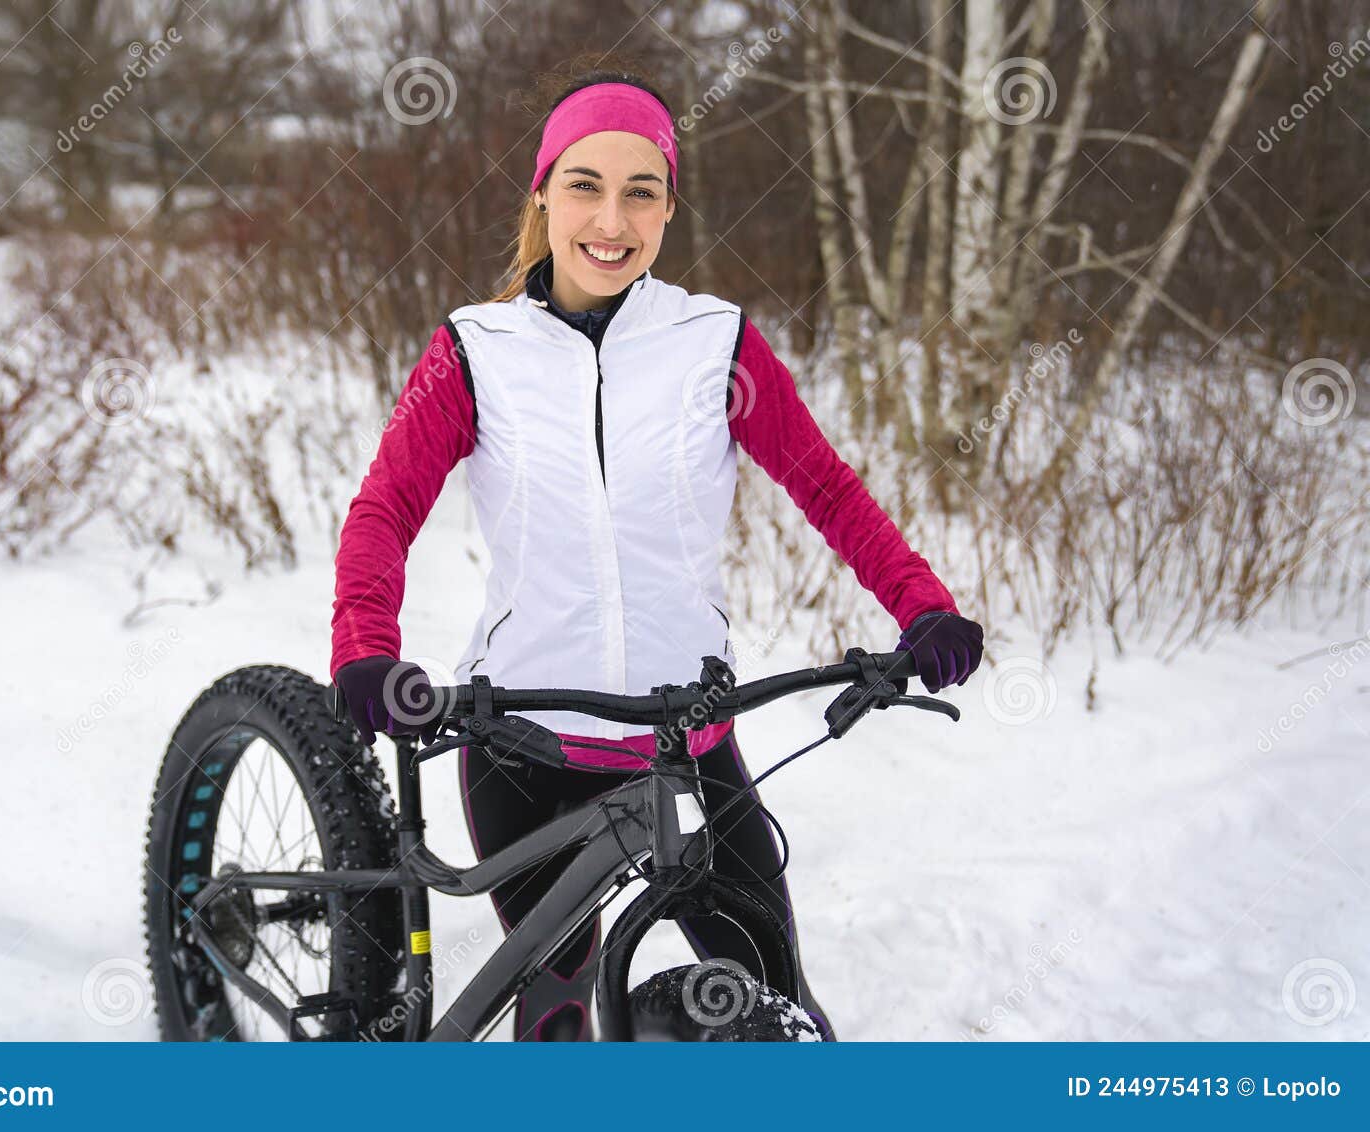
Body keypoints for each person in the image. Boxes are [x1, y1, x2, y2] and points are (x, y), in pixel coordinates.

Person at [329, 67, 984, 1041]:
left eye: (642, 190)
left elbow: (826, 487)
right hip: (522, 742)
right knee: (559, 1025)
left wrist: (920, 605)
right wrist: (363, 649)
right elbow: (384, 509)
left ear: (669, 208)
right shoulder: (475, 351)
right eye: (586, 184)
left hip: (687, 737)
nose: (611, 216)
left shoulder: (712, 343)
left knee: (779, 1012)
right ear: (543, 193)